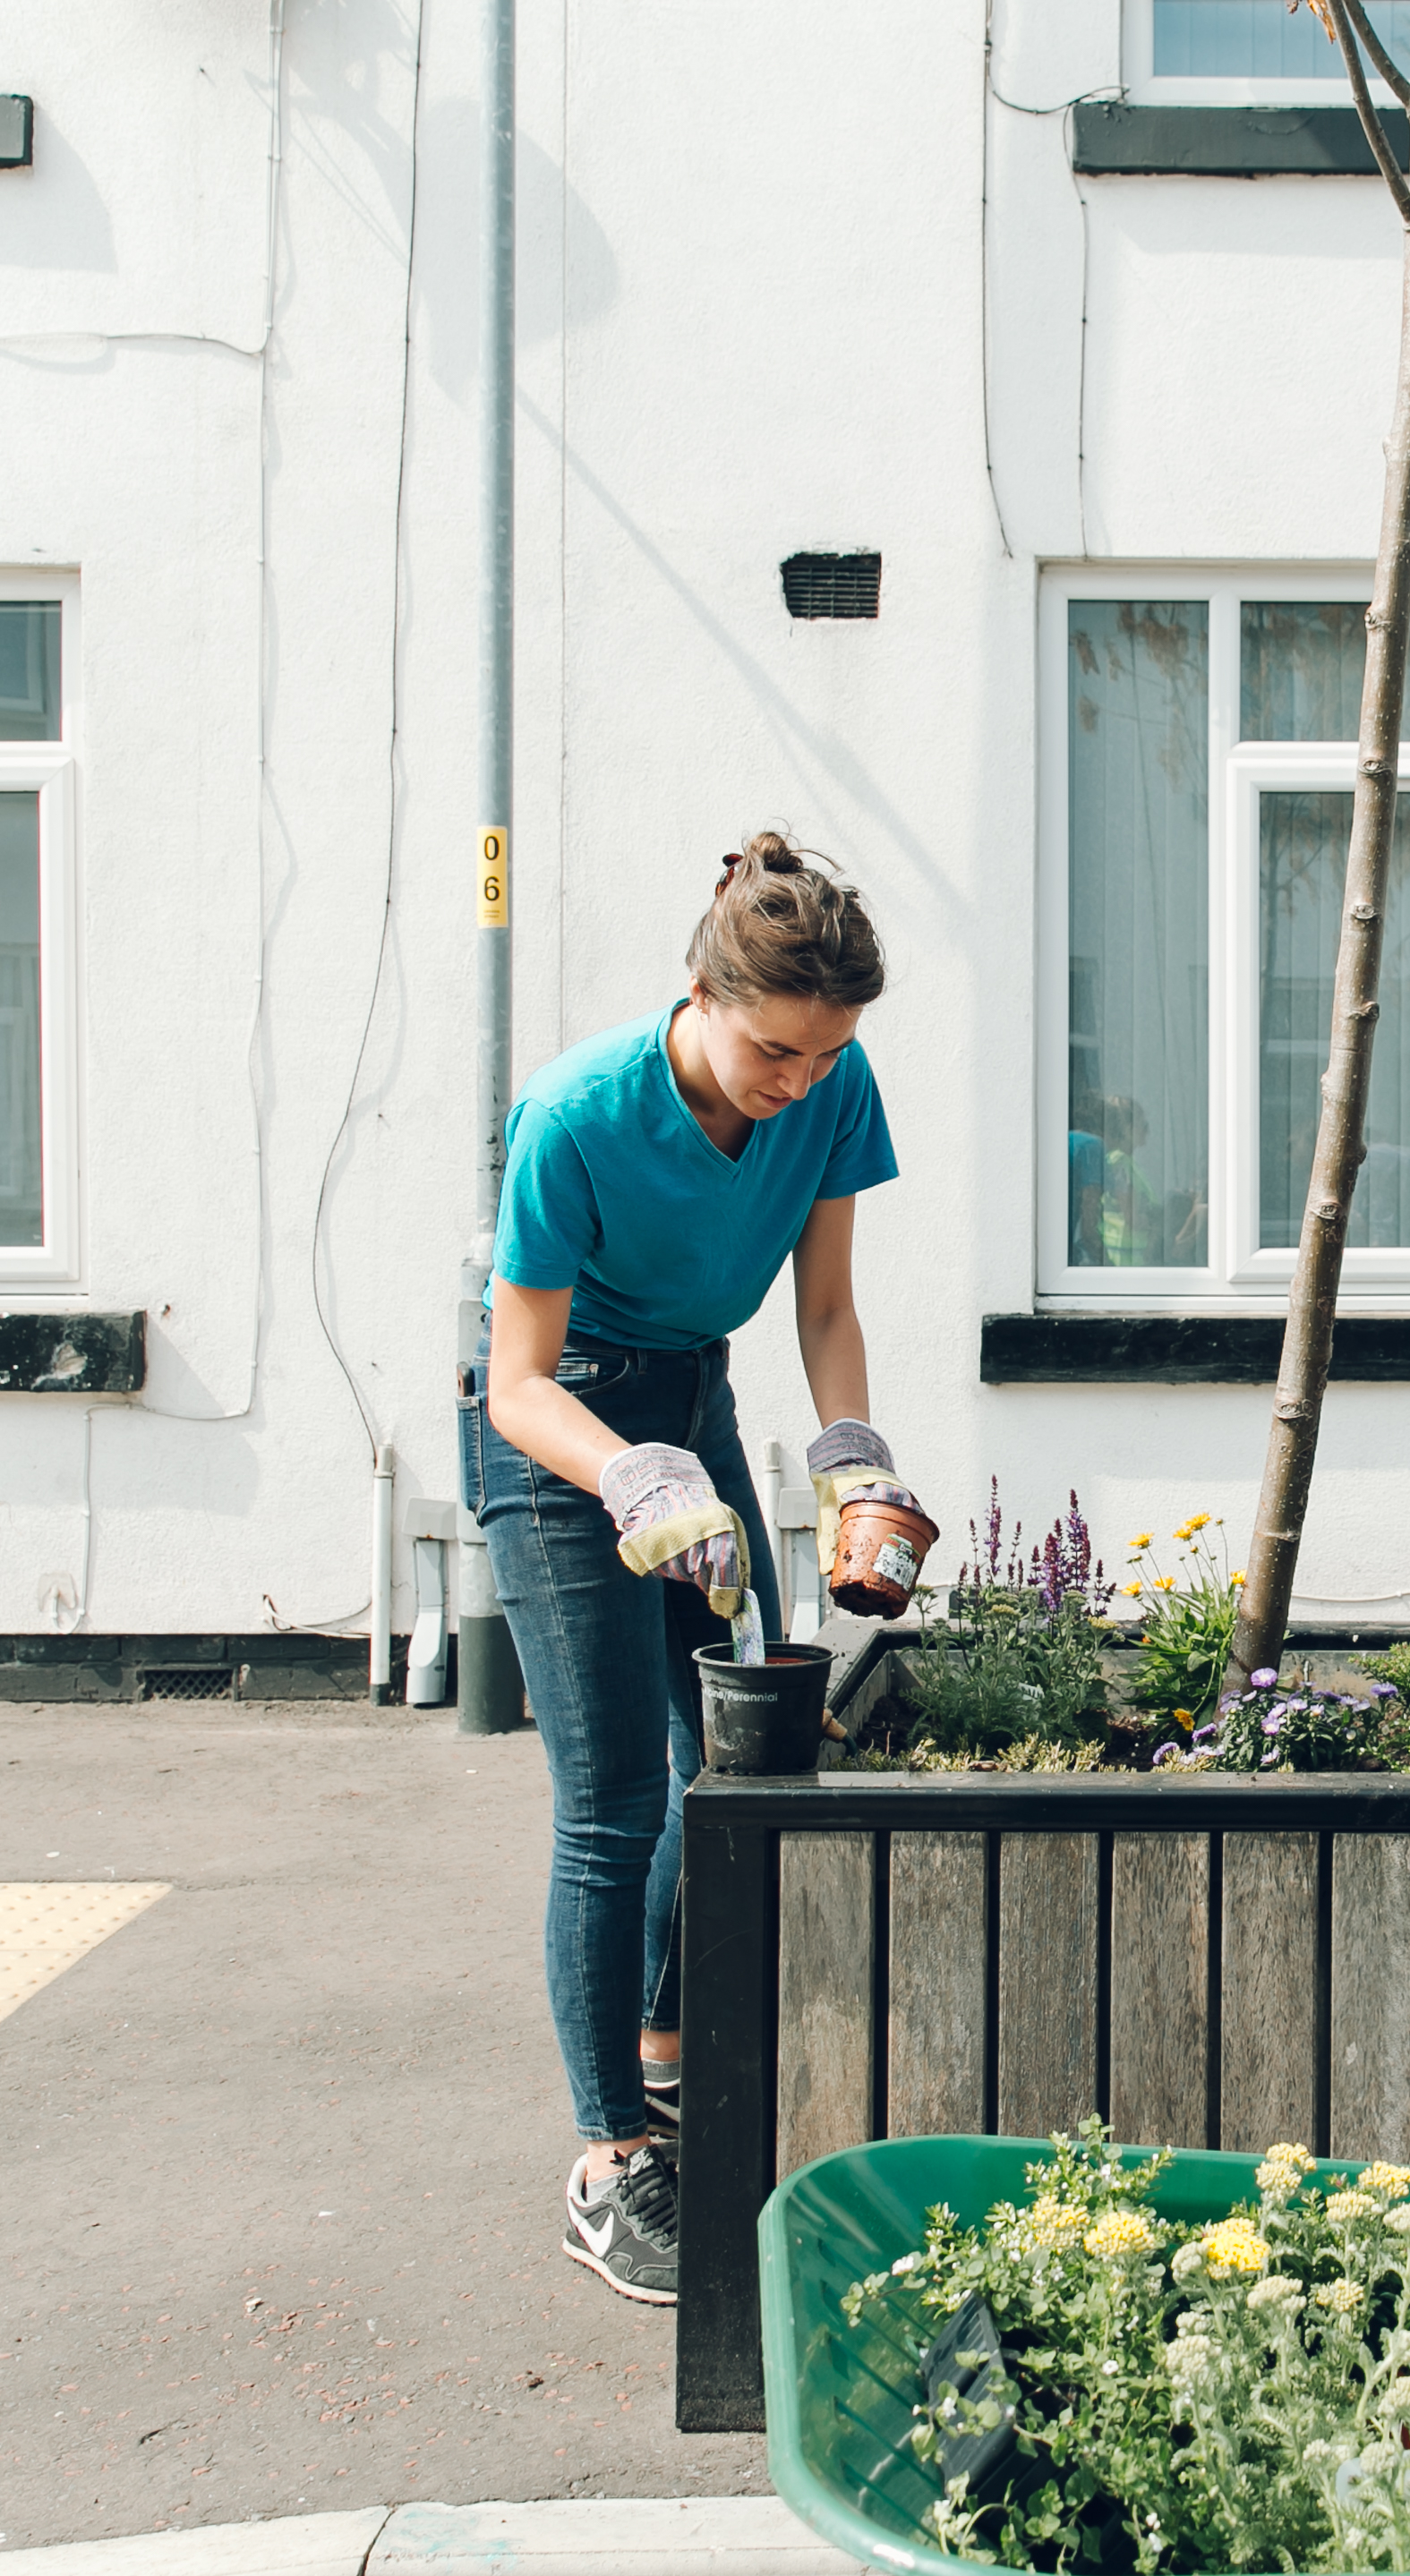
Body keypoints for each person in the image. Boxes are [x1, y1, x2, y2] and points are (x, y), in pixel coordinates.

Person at [473, 831, 916, 2305]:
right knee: (612, 1807)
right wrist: (624, 1470)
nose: (801, 1084)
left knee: (739, 1751)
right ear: (701, 989)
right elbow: (515, 1383)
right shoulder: (579, 1113)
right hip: (566, 1439)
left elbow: (830, 1300)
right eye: (776, 1052)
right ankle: (607, 2164)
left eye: (826, 1056)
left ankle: (667, 2053)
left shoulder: (831, 1082)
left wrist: (852, 1458)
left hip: (691, 1394)